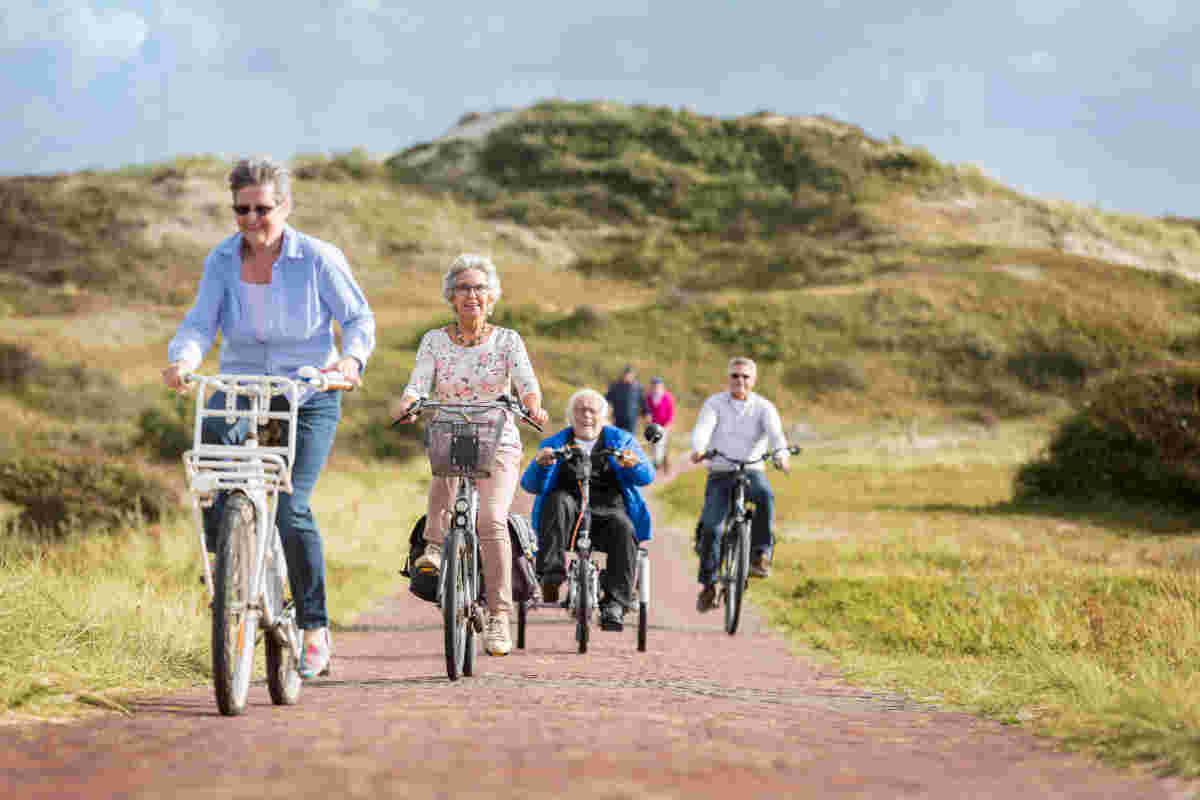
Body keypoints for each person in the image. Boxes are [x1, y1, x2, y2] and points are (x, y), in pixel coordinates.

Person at [162, 156, 375, 678]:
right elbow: (198, 322)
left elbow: (356, 319)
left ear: (285, 206)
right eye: (242, 210)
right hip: (239, 388)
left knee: (290, 505)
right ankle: (234, 570)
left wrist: (348, 362)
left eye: (263, 209)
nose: (252, 220)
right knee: (212, 482)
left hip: (306, 392)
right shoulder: (221, 261)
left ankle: (314, 624)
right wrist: (183, 362)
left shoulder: (317, 258)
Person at [390, 253, 550, 656]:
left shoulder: (508, 340)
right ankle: (432, 549)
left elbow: (528, 383)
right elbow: (418, 382)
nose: (471, 295)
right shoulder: (434, 341)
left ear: (491, 296)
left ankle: (498, 615)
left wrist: (533, 405)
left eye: (479, 288)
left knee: (490, 519)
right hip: (452, 431)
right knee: (443, 476)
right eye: (463, 288)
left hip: (498, 438)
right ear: (451, 296)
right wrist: (408, 403)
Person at [520, 389, 654, 631]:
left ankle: (615, 603)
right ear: (570, 416)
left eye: (593, 410)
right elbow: (529, 484)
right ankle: (550, 574)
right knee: (557, 500)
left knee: (624, 527)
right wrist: (540, 464)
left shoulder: (621, 440)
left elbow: (647, 476)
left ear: (604, 416)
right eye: (580, 410)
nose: (587, 415)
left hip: (609, 510)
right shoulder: (555, 442)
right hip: (569, 513)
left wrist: (633, 464)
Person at [689, 357, 789, 611]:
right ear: (728, 378)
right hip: (721, 471)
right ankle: (708, 585)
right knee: (712, 528)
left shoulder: (764, 407)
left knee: (765, 496)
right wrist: (699, 449)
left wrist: (780, 455)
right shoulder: (714, 404)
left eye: (745, 376)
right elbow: (703, 428)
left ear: (754, 380)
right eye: (735, 376)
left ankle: (760, 555)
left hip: (752, 469)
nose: (740, 381)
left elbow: (776, 434)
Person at [642, 376, 676, 472]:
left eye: (658, 386)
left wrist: (668, 425)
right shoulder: (648, 397)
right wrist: (646, 418)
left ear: (661, 386)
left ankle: (657, 464)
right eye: (654, 386)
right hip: (652, 426)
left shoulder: (667, 397)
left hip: (663, 426)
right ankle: (658, 463)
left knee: (660, 445)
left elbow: (670, 413)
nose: (656, 388)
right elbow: (644, 410)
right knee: (653, 445)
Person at [605, 364, 645, 434]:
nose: (628, 376)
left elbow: (642, 401)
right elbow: (607, 398)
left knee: (630, 437)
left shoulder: (638, 387)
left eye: (630, 375)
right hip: (618, 417)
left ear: (633, 376)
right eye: (626, 374)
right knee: (617, 435)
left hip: (631, 418)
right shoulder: (616, 386)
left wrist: (645, 413)